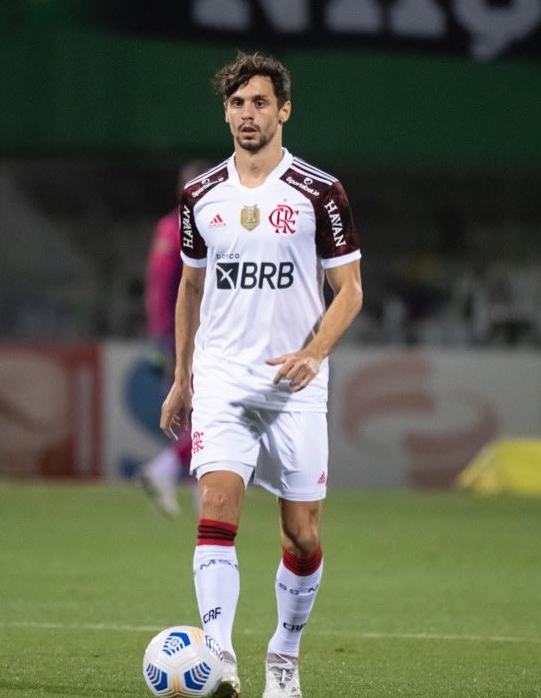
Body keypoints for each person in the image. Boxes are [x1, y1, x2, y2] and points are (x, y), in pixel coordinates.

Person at [160, 51, 363, 698]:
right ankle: (216, 656)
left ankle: (285, 649)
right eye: (238, 104)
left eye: (259, 103)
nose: (248, 114)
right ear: (226, 112)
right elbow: (190, 288)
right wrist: (182, 376)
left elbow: (351, 289)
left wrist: (313, 353)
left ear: (283, 110)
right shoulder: (201, 196)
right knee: (217, 502)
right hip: (223, 376)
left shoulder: (318, 192)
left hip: (294, 385)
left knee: (302, 535)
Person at [140, 161, 213, 517]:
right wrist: (162, 339)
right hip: (188, 339)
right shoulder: (172, 229)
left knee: (206, 414)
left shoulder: (215, 227)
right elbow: (160, 287)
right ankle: (165, 470)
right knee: (209, 414)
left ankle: (195, 485)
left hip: (211, 336)